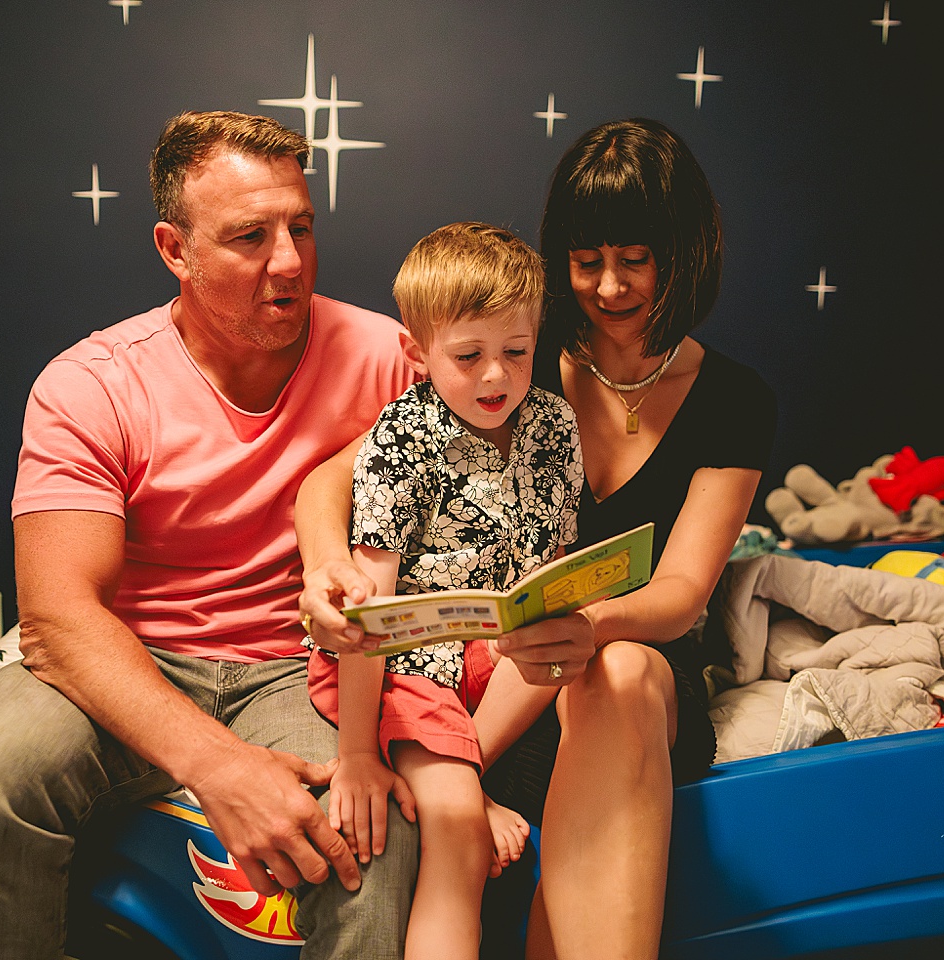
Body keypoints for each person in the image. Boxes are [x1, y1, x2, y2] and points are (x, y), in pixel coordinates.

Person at [0, 110, 421, 960]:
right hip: (128, 663)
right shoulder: (92, 385)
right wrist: (218, 767)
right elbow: (57, 621)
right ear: (174, 250)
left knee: (374, 825)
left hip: (303, 670)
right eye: (249, 236)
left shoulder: (389, 357)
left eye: (300, 226)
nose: (289, 260)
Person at [297, 117, 777, 959]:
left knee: (615, 667)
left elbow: (681, 594)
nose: (610, 287)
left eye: (636, 258)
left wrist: (588, 630)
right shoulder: (510, 352)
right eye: (587, 262)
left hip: (625, 679)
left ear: (685, 250)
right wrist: (328, 570)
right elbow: (334, 481)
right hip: (497, 687)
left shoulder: (734, 399)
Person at [305, 222, 585, 959]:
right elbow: (370, 614)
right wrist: (360, 754)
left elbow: (549, 577)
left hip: (504, 658)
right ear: (418, 355)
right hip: (405, 663)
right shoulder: (401, 437)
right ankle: (463, 793)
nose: (496, 377)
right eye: (469, 357)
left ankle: (468, 776)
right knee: (459, 835)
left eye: (516, 353)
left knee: (567, 646)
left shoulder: (554, 426)